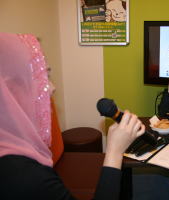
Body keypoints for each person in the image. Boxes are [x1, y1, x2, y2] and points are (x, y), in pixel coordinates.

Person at [0, 33, 145, 200]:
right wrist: (115, 151)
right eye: (42, 77)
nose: (51, 88)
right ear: (10, 87)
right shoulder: (24, 177)